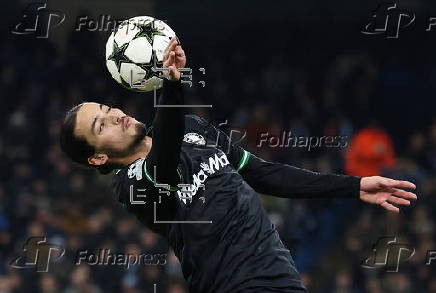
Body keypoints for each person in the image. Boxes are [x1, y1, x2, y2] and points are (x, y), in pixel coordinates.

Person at [59, 38, 417, 292]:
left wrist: (353, 186)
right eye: (101, 125)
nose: (115, 117)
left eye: (107, 110)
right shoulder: (131, 187)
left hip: (281, 277)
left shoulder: (192, 127)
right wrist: (171, 87)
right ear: (97, 158)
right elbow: (164, 160)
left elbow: (263, 174)